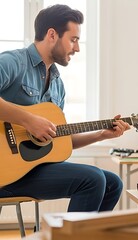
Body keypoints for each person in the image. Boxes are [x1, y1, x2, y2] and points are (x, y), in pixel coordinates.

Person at [0, 4, 130, 212]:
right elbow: (31, 125)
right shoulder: (13, 62)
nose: (77, 48)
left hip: (32, 170)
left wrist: (100, 136)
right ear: (52, 34)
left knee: (113, 183)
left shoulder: (57, 86)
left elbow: (60, 139)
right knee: (93, 179)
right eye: (73, 39)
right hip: (5, 173)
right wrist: (29, 120)